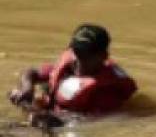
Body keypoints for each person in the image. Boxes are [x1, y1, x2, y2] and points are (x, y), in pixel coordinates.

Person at [7, 24, 137, 114]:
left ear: (103, 56)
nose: (78, 59)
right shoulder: (68, 65)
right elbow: (31, 72)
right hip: (48, 109)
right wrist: (27, 88)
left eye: (86, 54)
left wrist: (36, 111)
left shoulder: (104, 92)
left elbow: (88, 123)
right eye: (76, 51)